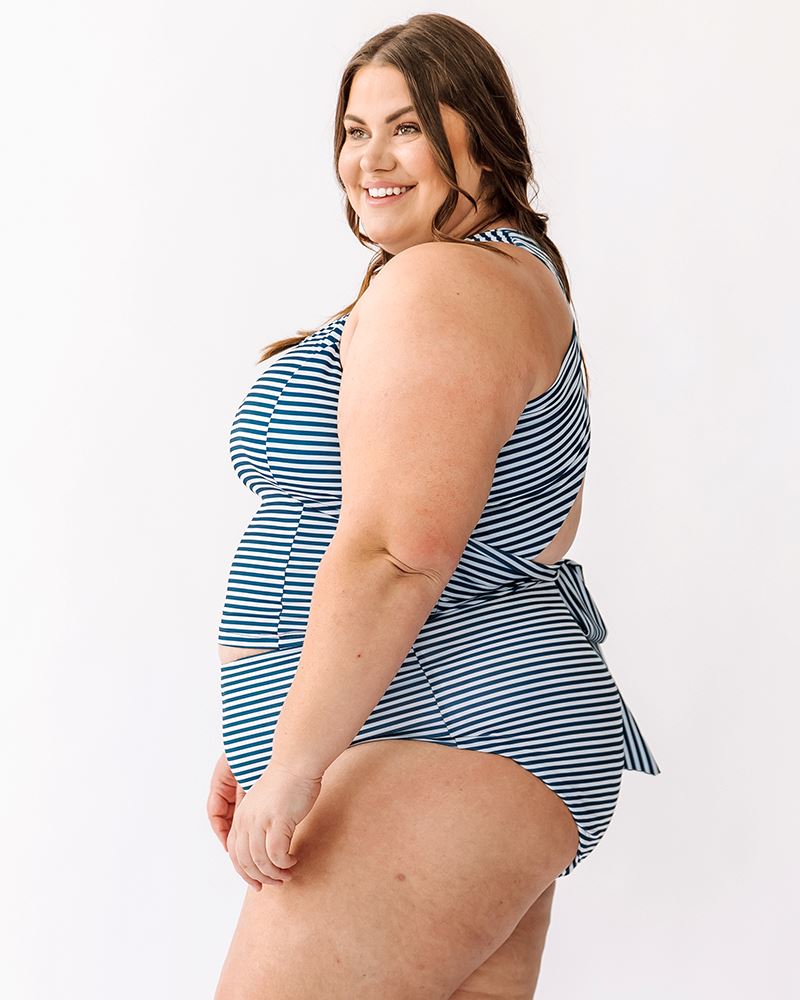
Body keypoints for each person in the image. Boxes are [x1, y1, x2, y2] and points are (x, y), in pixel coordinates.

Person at [209, 13, 660, 999]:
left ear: (480, 135)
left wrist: (294, 761)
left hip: (451, 728)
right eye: (352, 129)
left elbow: (395, 554)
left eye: (404, 125)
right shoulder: (495, 280)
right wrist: (284, 724)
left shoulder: (444, 284)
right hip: (435, 731)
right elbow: (536, 526)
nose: (367, 157)